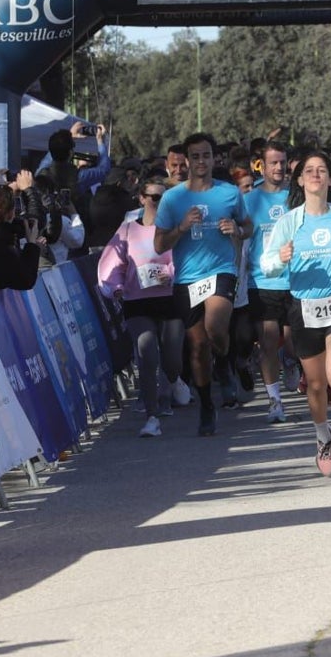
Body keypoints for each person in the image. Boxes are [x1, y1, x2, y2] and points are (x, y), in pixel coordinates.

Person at [260, 151, 331, 476]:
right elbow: (266, 266)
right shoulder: (289, 222)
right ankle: (323, 437)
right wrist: (280, 258)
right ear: (300, 179)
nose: (316, 175)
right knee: (317, 385)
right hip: (303, 307)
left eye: (322, 170)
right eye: (309, 171)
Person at [154, 133, 253, 437]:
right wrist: (181, 228)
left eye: (206, 155)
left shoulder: (229, 193)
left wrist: (236, 228)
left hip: (222, 270)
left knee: (215, 327)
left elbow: (249, 226)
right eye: (195, 156)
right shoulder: (173, 199)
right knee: (197, 347)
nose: (201, 161)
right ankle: (207, 404)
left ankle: (225, 361)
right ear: (186, 160)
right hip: (187, 278)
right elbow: (159, 244)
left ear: (214, 159)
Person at [98, 177, 183, 438]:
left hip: (170, 299)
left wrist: (173, 274)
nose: (159, 202)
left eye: (164, 197)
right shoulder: (126, 230)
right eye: (155, 197)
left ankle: (172, 384)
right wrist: (115, 288)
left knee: (171, 361)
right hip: (138, 301)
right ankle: (151, 415)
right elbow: (109, 264)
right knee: (147, 355)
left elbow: (189, 259)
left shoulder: (175, 229)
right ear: (142, 198)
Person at [244, 140, 293, 424]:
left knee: (295, 345)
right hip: (262, 281)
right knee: (268, 340)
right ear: (261, 165)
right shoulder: (250, 200)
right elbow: (242, 237)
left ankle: (291, 360)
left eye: (283, 162)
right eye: (273, 162)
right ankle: (275, 402)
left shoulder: (295, 197)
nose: (279, 167)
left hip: (295, 280)